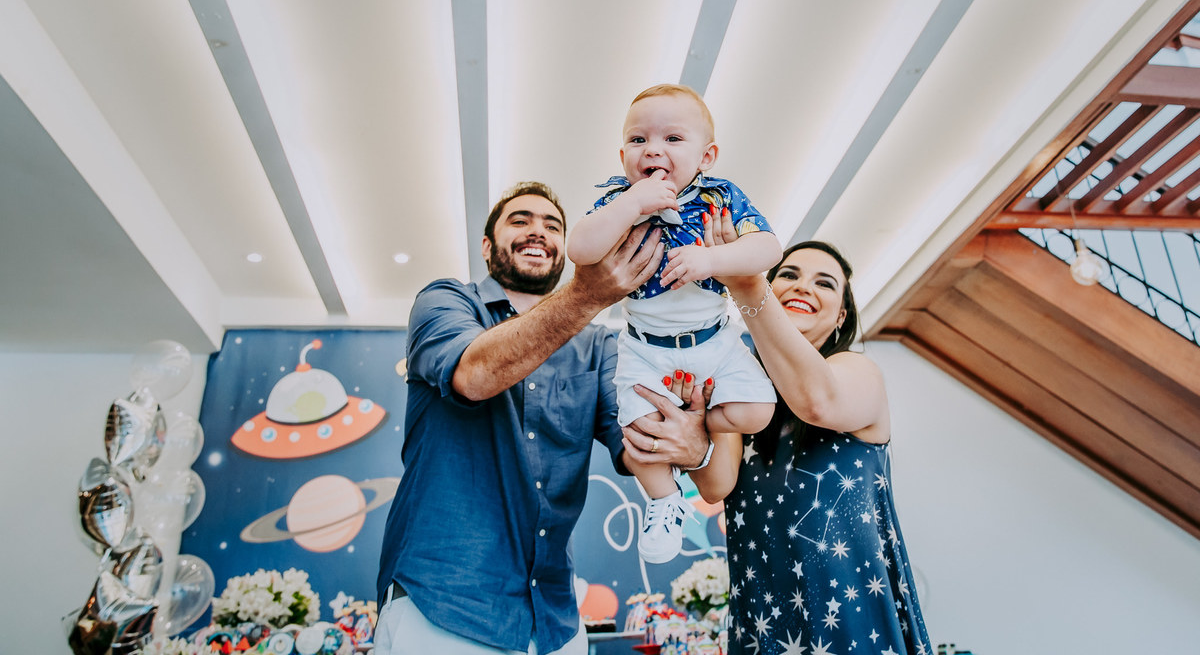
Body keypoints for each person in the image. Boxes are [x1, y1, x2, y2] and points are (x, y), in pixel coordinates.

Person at [374, 181, 713, 655]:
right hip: (443, 602)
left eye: (553, 225)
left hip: (553, 620)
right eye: (521, 221)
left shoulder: (599, 347)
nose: (539, 232)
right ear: (488, 246)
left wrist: (691, 439)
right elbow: (475, 374)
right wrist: (587, 295)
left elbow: (642, 438)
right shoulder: (445, 301)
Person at [653, 230, 933, 654]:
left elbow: (817, 403)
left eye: (825, 282)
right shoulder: (739, 390)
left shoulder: (859, 373)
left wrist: (748, 285)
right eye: (789, 274)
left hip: (851, 615)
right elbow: (716, 484)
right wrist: (695, 444)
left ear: (841, 316)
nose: (804, 286)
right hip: (767, 611)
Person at [568, 83, 782, 564]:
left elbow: (769, 249)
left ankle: (699, 418)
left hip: (715, 341)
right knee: (639, 433)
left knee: (758, 411)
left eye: (673, 139)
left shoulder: (720, 197)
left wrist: (713, 260)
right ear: (623, 154)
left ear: (707, 156)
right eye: (639, 140)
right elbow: (579, 249)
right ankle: (664, 501)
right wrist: (630, 204)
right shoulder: (617, 200)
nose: (654, 150)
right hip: (646, 348)